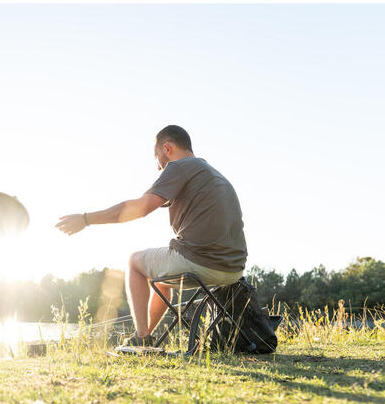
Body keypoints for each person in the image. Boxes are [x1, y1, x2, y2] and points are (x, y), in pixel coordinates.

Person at [55, 124, 247, 346]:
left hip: (200, 262)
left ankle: (142, 339)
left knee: (134, 261)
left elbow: (139, 208)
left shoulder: (179, 167)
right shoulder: (212, 174)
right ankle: (144, 337)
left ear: (167, 149)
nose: (158, 167)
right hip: (233, 270)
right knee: (162, 276)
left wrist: (86, 219)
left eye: (157, 157)